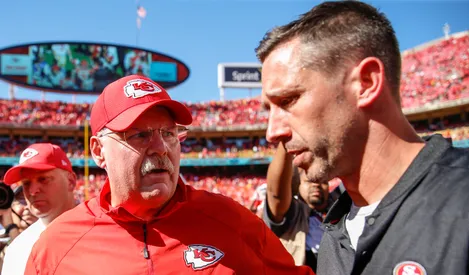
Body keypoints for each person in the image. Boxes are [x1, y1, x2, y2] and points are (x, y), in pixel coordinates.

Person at [256, 1, 469, 274]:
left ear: (366, 82)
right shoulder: (337, 227)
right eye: (268, 110)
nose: (272, 133)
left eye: (288, 100)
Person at [25, 75, 313, 275]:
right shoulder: (57, 245)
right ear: (99, 151)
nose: (160, 147)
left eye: (169, 133)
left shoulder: (233, 221)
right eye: (139, 135)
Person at [263, 142, 341, 272]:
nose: (316, 184)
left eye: (323, 181)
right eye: (310, 181)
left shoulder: (339, 207)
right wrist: (285, 143)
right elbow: (276, 195)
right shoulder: (293, 213)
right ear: (298, 185)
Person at [1, 143, 77, 275]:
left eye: (43, 179)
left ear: (70, 181)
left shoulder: (102, 233)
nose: (32, 191)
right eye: (26, 183)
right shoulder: (17, 249)